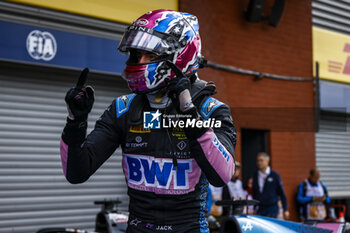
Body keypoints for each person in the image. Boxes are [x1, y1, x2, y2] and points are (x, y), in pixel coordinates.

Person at [60, 9, 237, 233]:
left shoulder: (212, 111)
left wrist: (190, 117)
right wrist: (75, 122)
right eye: (137, 55)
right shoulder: (123, 109)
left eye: (151, 56)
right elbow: (76, 173)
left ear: (180, 55)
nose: (140, 62)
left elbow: (222, 175)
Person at [252, 152, 289, 219]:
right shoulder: (255, 175)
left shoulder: (274, 175)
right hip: (261, 207)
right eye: (258, 160)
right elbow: (254, 192)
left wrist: (285, 209)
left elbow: (281, 192)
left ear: (267, 161)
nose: (259, 162)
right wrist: (254, 207)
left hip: (272, 207)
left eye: (261, 160)